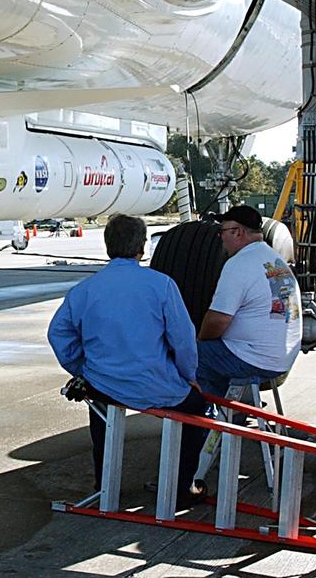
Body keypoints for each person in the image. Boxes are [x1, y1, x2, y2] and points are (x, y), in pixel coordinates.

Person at [47, 214, 209, 500]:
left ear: (108, 246)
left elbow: (58, 334)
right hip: (153, 385)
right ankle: (180, 485)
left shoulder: (85, 289)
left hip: (103, 383)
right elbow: (183, 340)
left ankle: (104, 484)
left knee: (100, 411)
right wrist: (189, 377)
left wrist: (81, 368)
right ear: (142, 247)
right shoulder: (161, 285)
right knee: (197, 409)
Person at [196, 205, 302, 397]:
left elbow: (217, 320)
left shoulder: (239, 263)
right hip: (281, 359)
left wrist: (199, 340)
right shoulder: (275, 259)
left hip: (253, 359)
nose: (221, 237)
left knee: (187, 355)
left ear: (238, 232)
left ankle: (205, 421)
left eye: (223, 231)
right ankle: (230, 413)